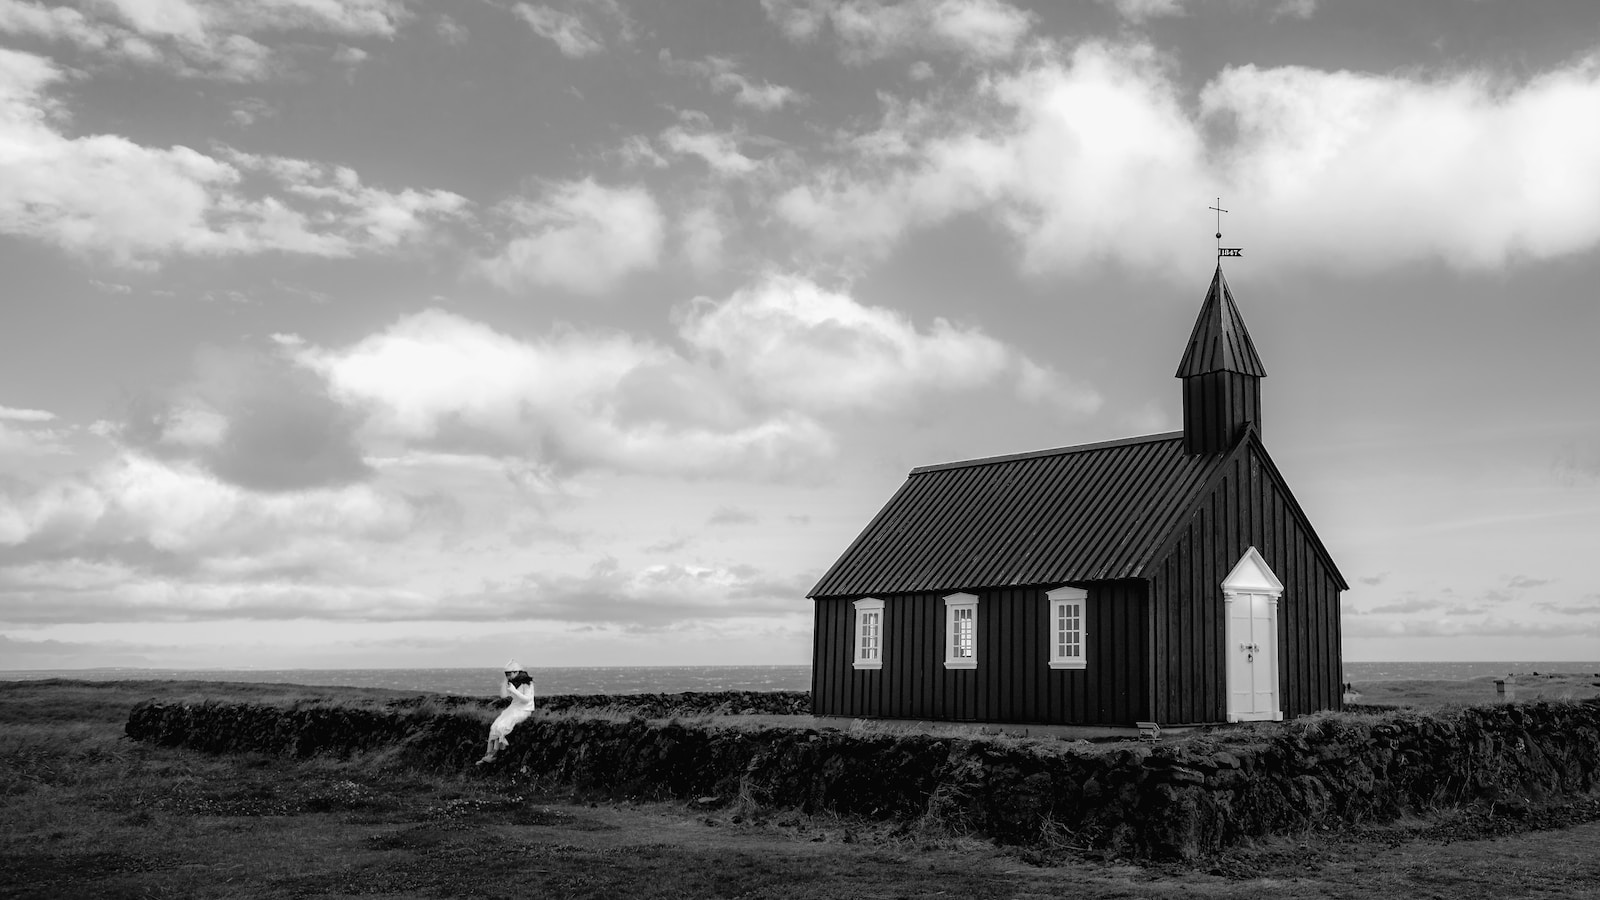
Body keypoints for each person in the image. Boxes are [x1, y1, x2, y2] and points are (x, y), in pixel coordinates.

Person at [478, 659, 536, 764]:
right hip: (514, 707)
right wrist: (506, 684)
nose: (508, 676)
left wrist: (514, 690)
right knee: (495, 726)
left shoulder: (526, 683)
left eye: (509, 673)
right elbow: (505, 695)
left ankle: (494, 754)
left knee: (503, 726)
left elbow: (527, 699)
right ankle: (488, 754)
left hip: (524, 709)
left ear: (516, 672)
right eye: (506, 674)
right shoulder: (513, 682)